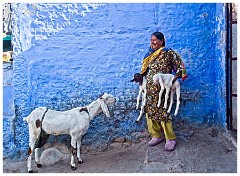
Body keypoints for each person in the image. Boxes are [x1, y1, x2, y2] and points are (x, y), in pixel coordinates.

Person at [140, 32, 188, 151]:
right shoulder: (149, 55)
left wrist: (172, 80)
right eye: (151, 40)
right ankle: (156, 135)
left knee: (163, 112)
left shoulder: (169, 53)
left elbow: (181, 68)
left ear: (162, 40)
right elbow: (145, 71)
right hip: (150, 90)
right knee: (150, 112)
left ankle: (170, 139)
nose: (153, 42)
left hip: (163, 90)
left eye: (155, 40)